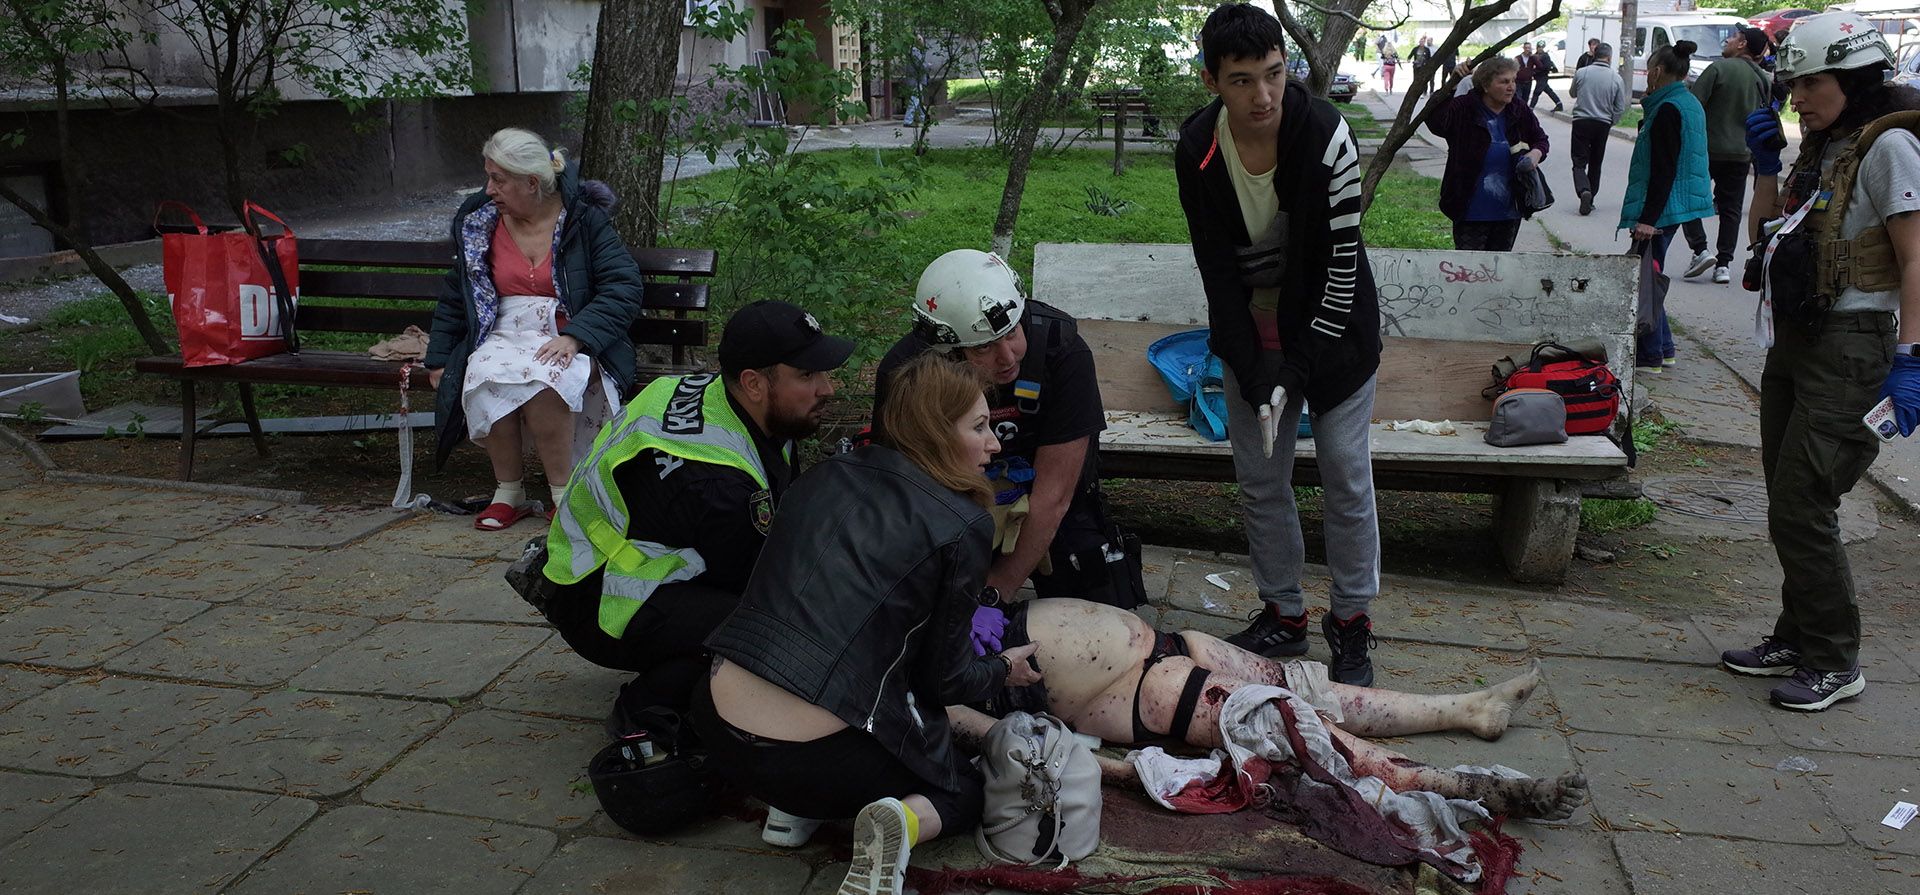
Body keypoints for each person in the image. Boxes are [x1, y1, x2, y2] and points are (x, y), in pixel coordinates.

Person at [690, 353, 1044, 895]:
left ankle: (789, 816)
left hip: (716, 722)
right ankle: (893, 827)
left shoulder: (822, 474)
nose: (995, 444)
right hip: (814, 759)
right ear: (933, 431)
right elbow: (943, 683)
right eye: (978, 427)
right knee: (966, 786)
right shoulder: (962, 522)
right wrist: (1002, 669)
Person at [1174, 3, 1386, 686]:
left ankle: (1351, 622)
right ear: (1211, 82)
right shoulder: (1198, 148)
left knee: (1345, 475)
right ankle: (1284, 615)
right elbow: (1215, 270)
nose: (1262, 95)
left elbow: (1340, 271)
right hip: (1253, 341)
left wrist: (1295, 368)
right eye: (1241, 81)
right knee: (1261, 482)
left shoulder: (1327, 136)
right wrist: (1252, 361)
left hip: (1334, 336)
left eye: (1273, 74)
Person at [945, 599, 1590, 822]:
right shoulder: (917, 687)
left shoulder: (927, 596)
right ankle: (1480, 791)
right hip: (1143, 694)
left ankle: (1468, 709)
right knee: (1323, 741)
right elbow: (999, 734)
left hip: (1167, 644)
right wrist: (1115, 770)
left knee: (1322, 693)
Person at [540, 300, 853, 728]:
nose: (827, 388)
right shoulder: (719, 486)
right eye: (806, 375)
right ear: (754, 383)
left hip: (592, 565)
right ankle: (648, 708)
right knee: (769, 634)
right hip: (602, 597)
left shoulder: (732, 400)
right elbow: (766, 587)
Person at [1729, 11, 1920, 711]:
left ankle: (1837, 658)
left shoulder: (1890, 147)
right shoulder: (1824, 146)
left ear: (1856, 77)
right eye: (1794, 84)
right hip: (1798, 336)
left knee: (1806, 499)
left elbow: (1915, 258)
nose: (1798, 97)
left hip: (1852, 345)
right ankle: (1796, 633)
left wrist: (1912, 358)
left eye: (1811, 82)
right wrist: (1765, 171)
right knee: (1787, 494)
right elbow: (1765, 242)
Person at [872, 249, 1142, 608]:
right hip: (955, 499)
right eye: (984, 347)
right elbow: (901, 488)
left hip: (1050, 499)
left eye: (1012, 332)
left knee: (1098, 603)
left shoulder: (1062, 350)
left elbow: (1056, 495)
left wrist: (999, 589)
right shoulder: (909, 372)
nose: (1009, 356)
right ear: (947, 354)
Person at [425, 128, 644, 531]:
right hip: (500, 331)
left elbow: (624, 286)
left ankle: (566, 494)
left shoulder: (582, 219)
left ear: (531, 182)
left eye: (499, 179)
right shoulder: (480, 225)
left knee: (545, 376)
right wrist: (438, 358)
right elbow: (457, 296)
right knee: (485, 373)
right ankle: (509, 493)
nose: (489, 189)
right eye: (488, 177)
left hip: (569, 331)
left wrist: (577, 335)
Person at [1619, 41, 1713, 372]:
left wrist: (1648, 219)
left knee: (1643, 278)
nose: (1647, 75)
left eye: (1647, 69)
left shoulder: (1668, 109)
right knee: (1650, 275)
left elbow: (1664, 169)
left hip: (1663, 208)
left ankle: (1651, 354)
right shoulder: (1686, 102)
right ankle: (1665, 347)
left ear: (1657, 72)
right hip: (1676, 204)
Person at [1678, 26, 1776, 285]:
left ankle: (1700, 249)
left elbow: (1693, 105)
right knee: (1731, 210)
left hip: (1707, 149)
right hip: (1742, 154)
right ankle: (1723, 264)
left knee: (1687, 198)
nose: (1728, 40)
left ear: (1742, 44)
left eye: (1733, 37)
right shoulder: (1763, 79)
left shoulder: (1718, 69)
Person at [1425, 56, 1550, 251]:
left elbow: (1541, 139)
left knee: (1499, 270)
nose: (1511, 87)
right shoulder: (1465, 108)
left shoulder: (1518, 109)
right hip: (1469, 209)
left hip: (1509, 210)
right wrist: (1451, 84)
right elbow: (1435, 121)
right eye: (1504, 82)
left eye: (1513, 81)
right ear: (1485, 85)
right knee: (1469, 272)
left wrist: (1535, 154)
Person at [1569, 42, 1629, 216]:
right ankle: (1591, 198)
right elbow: (1619, 107)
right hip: (1602, 124)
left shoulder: (1582, 72)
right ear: (1609, 58)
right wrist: (1611, 122)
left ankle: (1583, 190)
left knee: (1579, 162)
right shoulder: (1616, 78)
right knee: (1596, 162)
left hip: (1581, 121)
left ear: (1594, 55)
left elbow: (1573, 93)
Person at [1526, 41, 1562, 112]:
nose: (1540, 49)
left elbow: (1546, 67)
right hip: (1538, 77)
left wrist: (1536, 71)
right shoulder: (1535, 55)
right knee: (1548, 91)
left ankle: (1531, 109)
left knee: (1536, 92)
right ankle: (1559, 104)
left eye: (1541, 47)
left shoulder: (1545, 56)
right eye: (1539, 47)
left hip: (1543, 77)